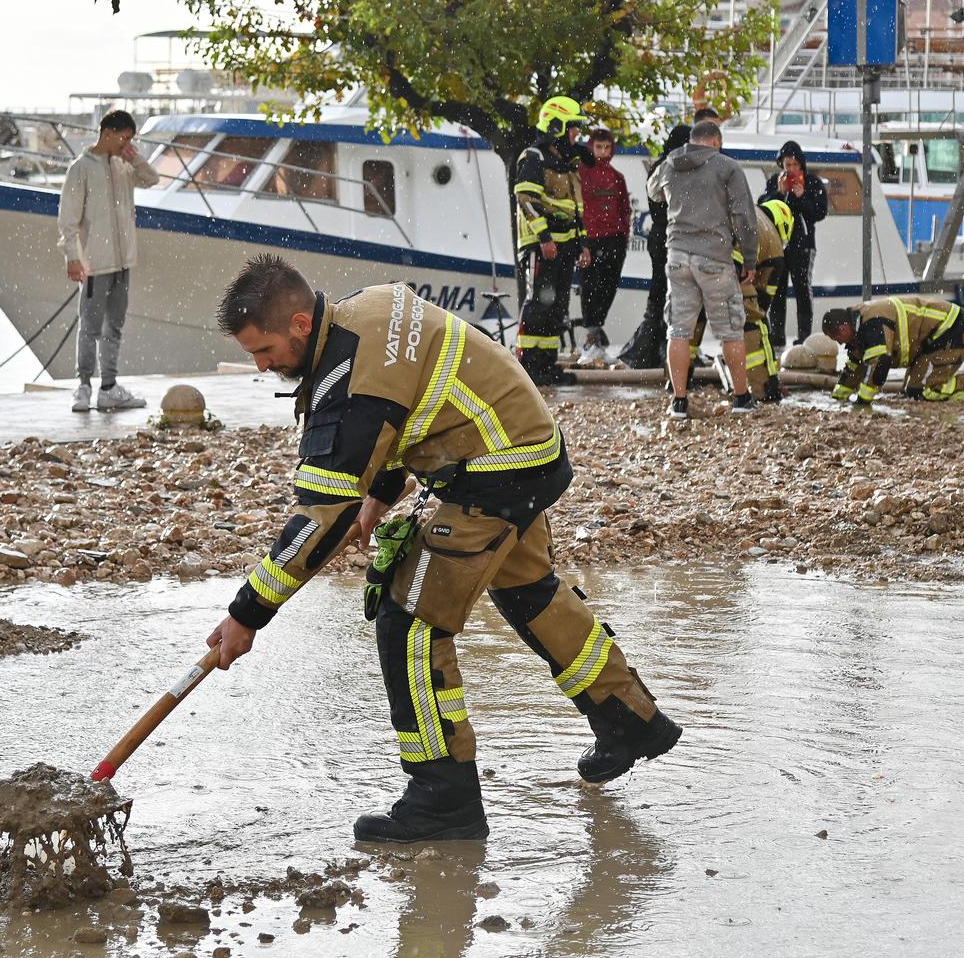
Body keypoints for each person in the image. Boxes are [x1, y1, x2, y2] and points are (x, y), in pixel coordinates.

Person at [209, 257, 682, 843]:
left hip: (493, 473)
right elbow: (410, 411)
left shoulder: (352, 375)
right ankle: (631, 720)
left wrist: (246, 613)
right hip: (526, 448)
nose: (261, 366)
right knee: (529, 592)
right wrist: (380, 494)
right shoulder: (366, 308)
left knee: (408, 622)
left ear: (302, 324)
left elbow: (321, 518)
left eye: (264, 350)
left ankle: (443, 797)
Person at [647, 120, 759, 418]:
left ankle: (679, 401)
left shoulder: (669, 164)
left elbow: (653, 191)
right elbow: (744, 216)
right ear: (716, 141)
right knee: (730, 330)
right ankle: (741, 397)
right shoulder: (727, 167)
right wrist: (749, 259)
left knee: (679, 329)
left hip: (677, 257)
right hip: (714, 258)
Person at [58, 109, 157, 412]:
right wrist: (73, 257)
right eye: (124, 137)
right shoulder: (81, 168)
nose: (127, 143)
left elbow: (151, 179)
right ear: (108, 132)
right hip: (94, 264)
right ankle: (84, 387)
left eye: (131, 138)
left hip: (123, 263)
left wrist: (134, 157)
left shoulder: (124, 166)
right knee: (89, 327)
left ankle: (109, 387)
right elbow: (68, 219)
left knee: (114, 326)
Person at [679, 199, 791, 403]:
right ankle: (764, 389)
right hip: (730, 269)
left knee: (691, 322)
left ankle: (678, 385)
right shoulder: (774, 243)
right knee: (753, 325)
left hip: (693, 259)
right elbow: (762, 302)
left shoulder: (747, 211)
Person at [513, 96, 589, 386]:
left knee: (557, 307)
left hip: (565, 246)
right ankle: (527, 366)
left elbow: (575, 207)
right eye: (572, 128)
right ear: (556, 125)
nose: (576, 134)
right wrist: (544, 237)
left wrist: (582, 243)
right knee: (538, 305)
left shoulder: (566, 161)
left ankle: (546, 364)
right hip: (541, 246)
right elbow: (526, 199)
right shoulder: (534, 157)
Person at [823, 298, 964, 404]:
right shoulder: (859, 325)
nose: (839, 344)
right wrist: (839, 396)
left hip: (952, 330)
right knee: (912, 391)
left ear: (843, 328)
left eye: (837, 338)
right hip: (934, 337)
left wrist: (863, 400)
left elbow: (880, 364)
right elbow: (854, 364)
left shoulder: (871, 324)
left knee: (927, 390)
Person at [616, 125, 689, 370]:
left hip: (661, 238)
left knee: (661, 294)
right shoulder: (671, 168)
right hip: (669, 238)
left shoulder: (661, 166)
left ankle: (654, 346)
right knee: (667, 294)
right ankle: (654, 348)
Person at [761, 141, 828, 348]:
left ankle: (803, 337)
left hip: (803, 244)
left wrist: (801, 197)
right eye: (786, 164)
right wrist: (779, 193)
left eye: (794, 165)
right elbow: (763, 208)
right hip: (779, 245)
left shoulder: (813, 183)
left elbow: (819, 213)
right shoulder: (775, 181)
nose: (790, 169)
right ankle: (777, 336)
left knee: (802, 290)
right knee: (777, 290)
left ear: (801, 165)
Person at [576, 127, 629, 364]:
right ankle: (591, 339)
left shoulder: (617, 177)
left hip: (614, 238)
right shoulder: (580, 173)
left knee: (609, 287)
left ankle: (596, 337)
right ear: (591, 147)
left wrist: (624, 237)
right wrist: (582, 241)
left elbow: (624, 209)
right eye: (598, 147)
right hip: (590, 238)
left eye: (606, 147)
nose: (602, 152)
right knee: (590, 287)